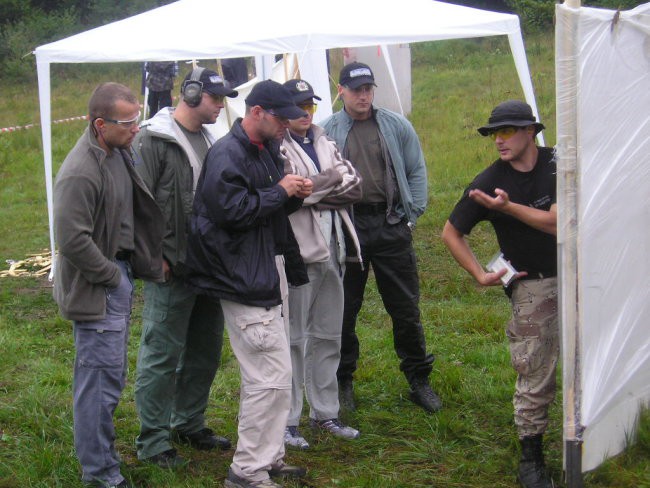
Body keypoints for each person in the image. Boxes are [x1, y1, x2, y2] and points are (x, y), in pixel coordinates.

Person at [184, 79, 313, 488]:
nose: (287, 126)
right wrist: (279, 191)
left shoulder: (264, 148)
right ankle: (247, 472)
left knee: (274, 375)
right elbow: (232, 213)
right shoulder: (227, 154)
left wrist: (291, 194)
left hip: (264, 268)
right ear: (256, 112)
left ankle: (268, 457)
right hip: (242, 277)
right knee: (269, 377)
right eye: (281, 118)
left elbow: (264, 206)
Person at [441, 100, 557, 488]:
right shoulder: (488, 180)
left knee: (586, 359)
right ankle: (531, 456)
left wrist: (509, 209)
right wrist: (478, 273)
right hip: (533, 286)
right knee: (534, 370)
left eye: (507, 131)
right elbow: (451, 232)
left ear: (531, 132)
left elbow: (560, 224)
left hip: (581, 274)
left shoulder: (558, 163)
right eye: (494, 133)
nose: (499, 140)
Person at [53, 82, 164, 488]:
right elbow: (71, 240)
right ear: (101, 124)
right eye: (129, 121)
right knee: (98, 384)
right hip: (98, 290)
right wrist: (111, 277)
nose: (137, 127)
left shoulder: (117, 151)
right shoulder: (80, 172)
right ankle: (101, 475)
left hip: (116, 278)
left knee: (110, 378)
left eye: (139, 117)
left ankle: (104, 460)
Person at [131, 68, 238, 467]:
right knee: (161, 354)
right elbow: (137, 205)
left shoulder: (212, 140)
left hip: (208, 266)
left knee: (204, 350)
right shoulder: (153, 139)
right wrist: (151, 256)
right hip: (171, 265)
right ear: (191, 94)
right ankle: (153, 441)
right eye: (215, 98)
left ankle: (188, 422)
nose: (222, 105)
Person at [321, 62, 441, 414]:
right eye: (356, 89)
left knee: (405, 308)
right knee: (343, 309)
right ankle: (343, 381)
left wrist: (411, 215)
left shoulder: (395, 124)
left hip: (390, 224)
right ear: (341, 90)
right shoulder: (327, 130)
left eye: (368, 89)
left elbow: (416, 168)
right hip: (348, 228)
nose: (364, 95)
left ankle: (419, 380)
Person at [280, 79, 362, 450]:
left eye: (310, 105)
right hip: (299, 253)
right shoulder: (275, 146)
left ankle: (326, 412)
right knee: (293, 337)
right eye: (298, 106)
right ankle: (287, 420)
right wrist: (328, 184)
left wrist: (317, 187)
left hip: (337, 247)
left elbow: (356, 186)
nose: (305, 113)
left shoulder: (325, 139)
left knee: (330, 334)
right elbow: (293, 196)